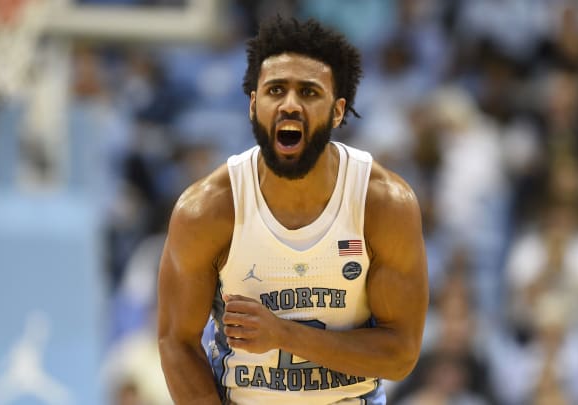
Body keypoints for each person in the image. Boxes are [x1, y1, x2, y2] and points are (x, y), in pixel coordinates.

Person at [157, 16, 428, 404]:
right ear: (254, 105)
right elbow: (175, 343)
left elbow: (400, 354)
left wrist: (283, 335)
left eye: (309, 92)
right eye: (276, 90)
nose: (289, 104)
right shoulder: (207, 210)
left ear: (337, 111)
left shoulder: (383, 204)